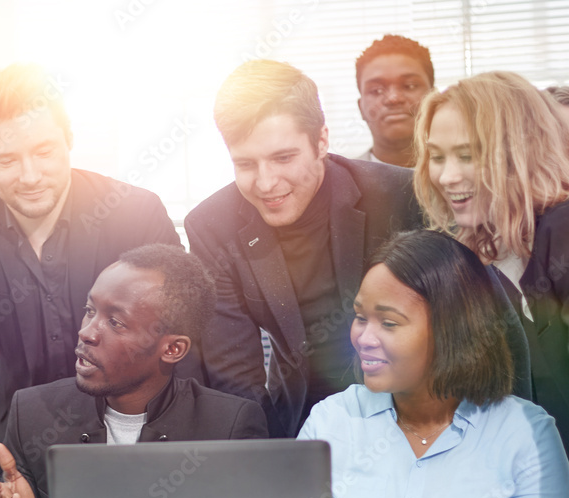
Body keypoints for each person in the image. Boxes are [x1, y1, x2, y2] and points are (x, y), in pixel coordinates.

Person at [0, 63, 181, 498]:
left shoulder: (135, 211)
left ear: (68, 138)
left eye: (44, 152)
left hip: (137, 443)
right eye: (6, 160)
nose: (29, 176)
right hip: (20, 454)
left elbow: (182, 349)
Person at [0, 244, 268, 498]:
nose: (86, 332)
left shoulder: (228, 426)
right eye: (89, 310)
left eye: (115, 322)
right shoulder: (32, 412)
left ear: (172, 348)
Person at [299, 230, 569, 498]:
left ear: (452, 330)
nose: (363, 339)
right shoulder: (330, 422)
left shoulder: (525, 434)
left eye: (390, 323)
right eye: (361, 317)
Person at [185, 59, 423, 438]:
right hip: (297, 420)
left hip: (408, 410)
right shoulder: (212, 225)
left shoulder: (399, 196)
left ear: (322, 141)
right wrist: (263, 462)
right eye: (245, 163)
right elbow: (233, 373)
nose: (265, 183)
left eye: (283, 158)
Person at [414, 70, 569, 448]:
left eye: (468, 155)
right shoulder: (470, 256)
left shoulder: (561, 228)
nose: (447, 176)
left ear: (520, 152)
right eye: (437, 157)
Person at [354, 34, 434, 167]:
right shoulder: (336, 183)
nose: (393, 98)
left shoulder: (473, 178)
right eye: (377, 91)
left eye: (410, 86)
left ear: (434, 100)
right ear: (360, 108)